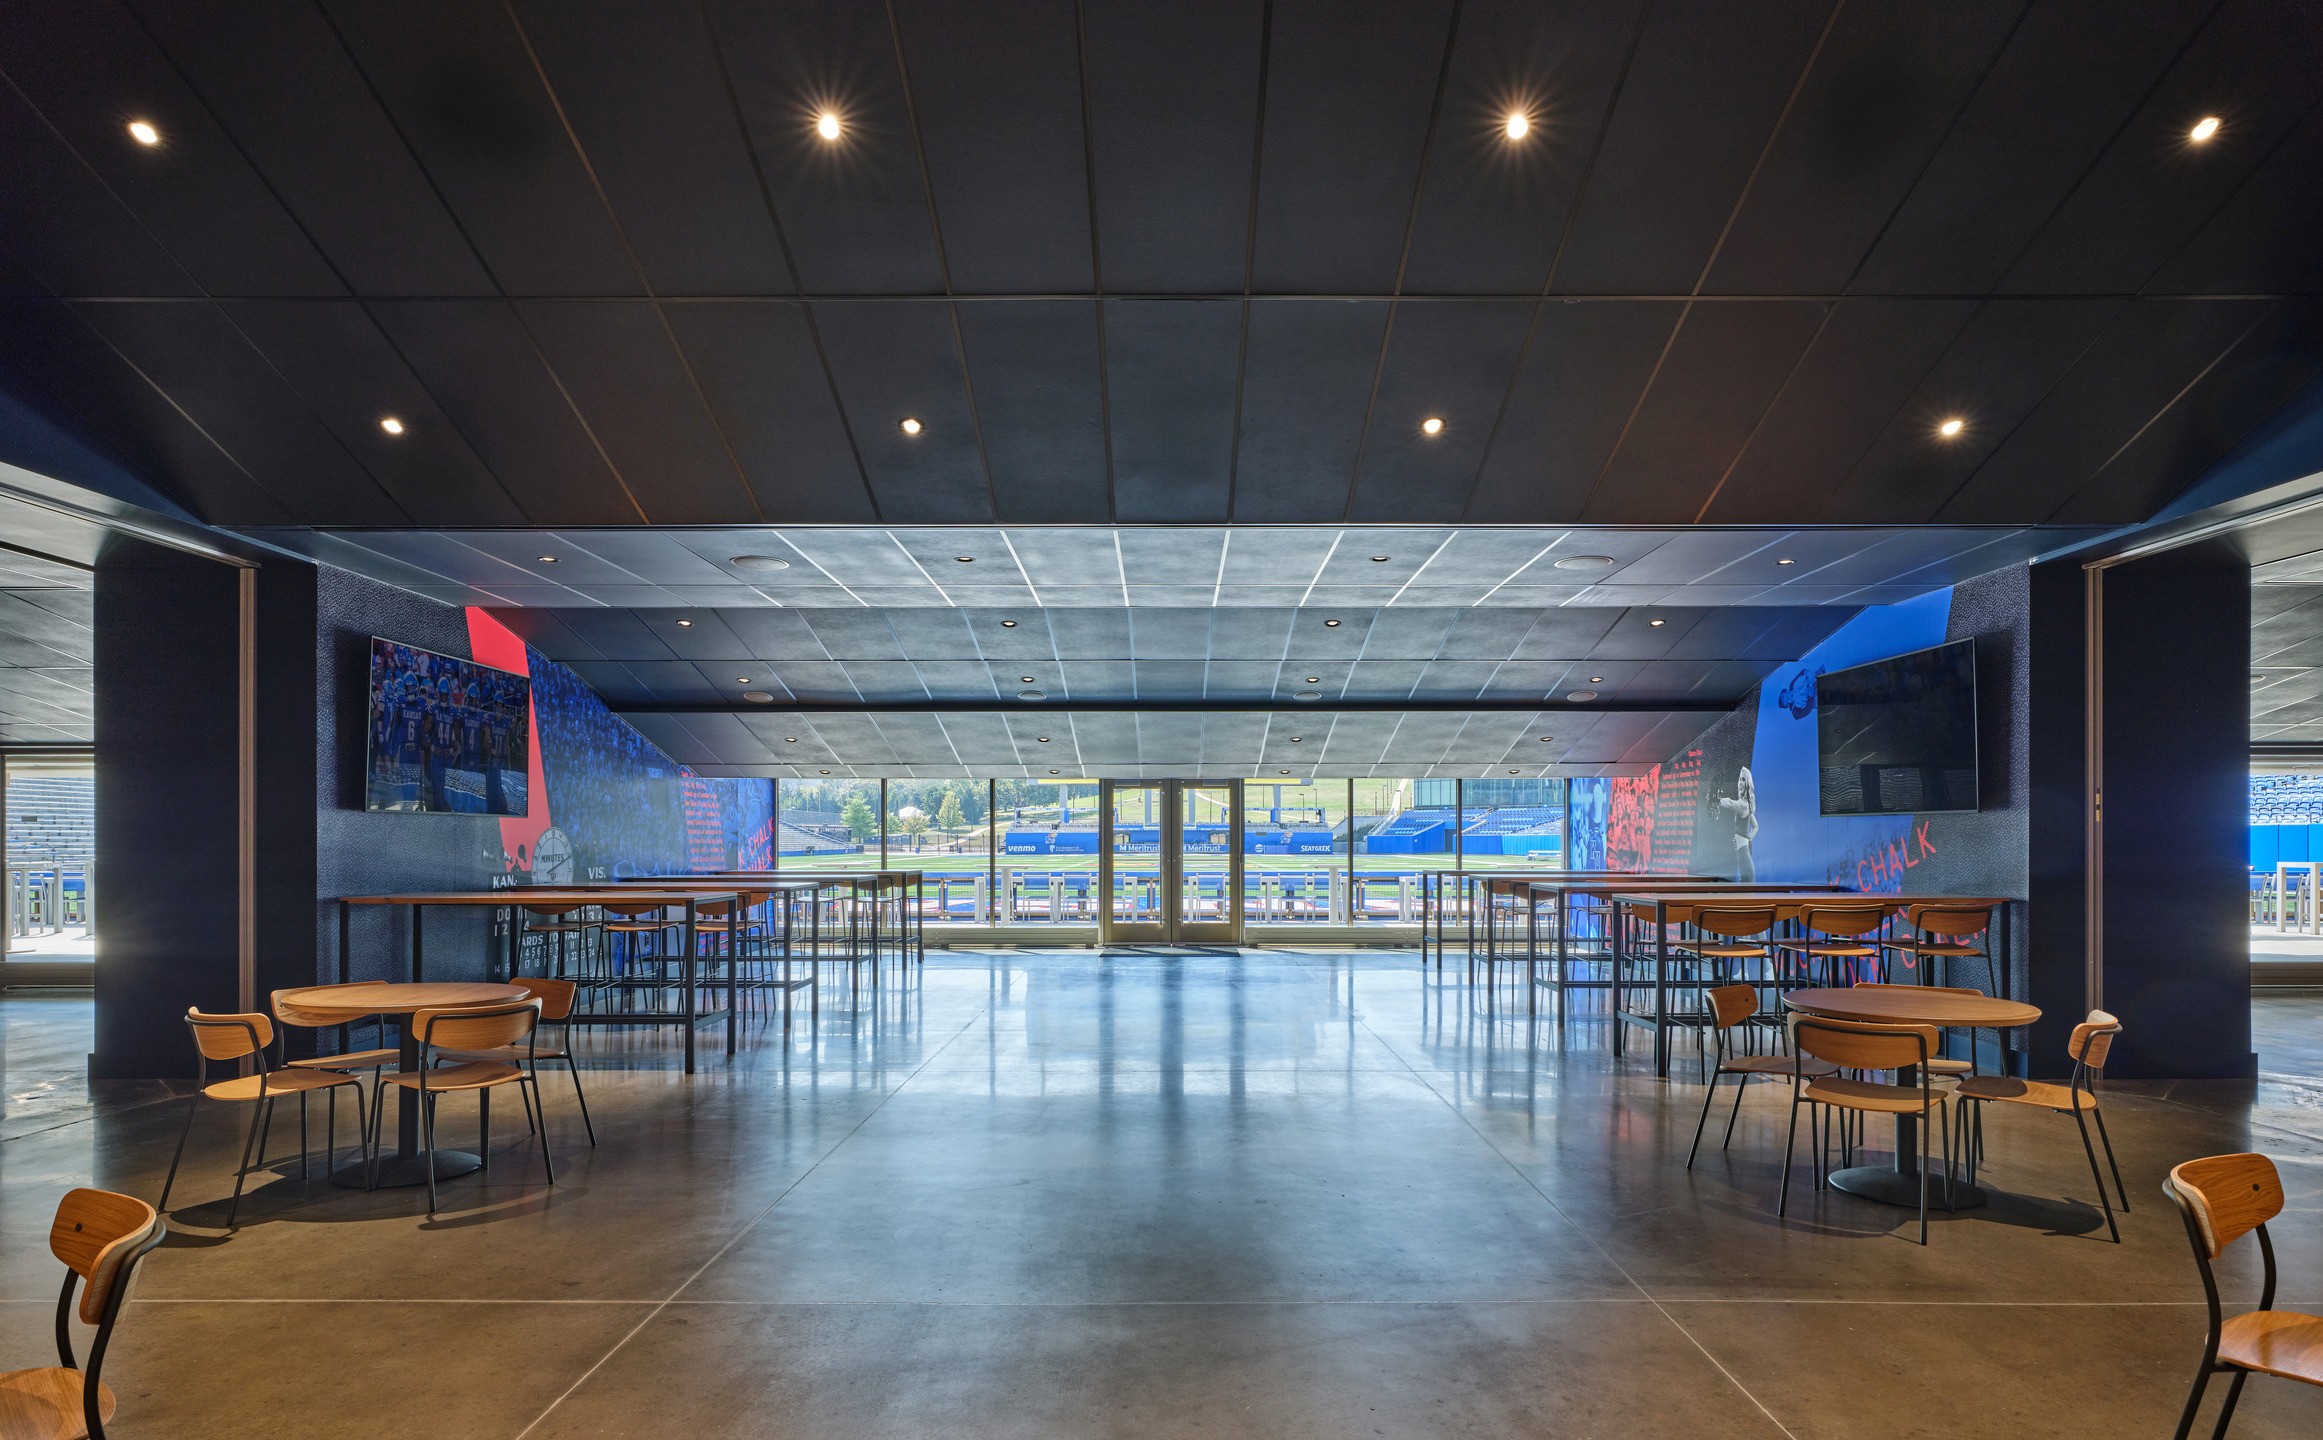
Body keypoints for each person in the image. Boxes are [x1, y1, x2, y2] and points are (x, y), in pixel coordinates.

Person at [1714, 768, 1758, 883]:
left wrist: (1717, 800)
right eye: (1739, 779)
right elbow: (1756, 826)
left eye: (1743, 780)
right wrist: (1748, 839)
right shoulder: (1747, 805)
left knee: (1747, 892)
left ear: (1748, 784)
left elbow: (1729, 803)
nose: (1740, 783)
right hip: (1744, 860)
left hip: (1745, 861)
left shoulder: (1743, 804)